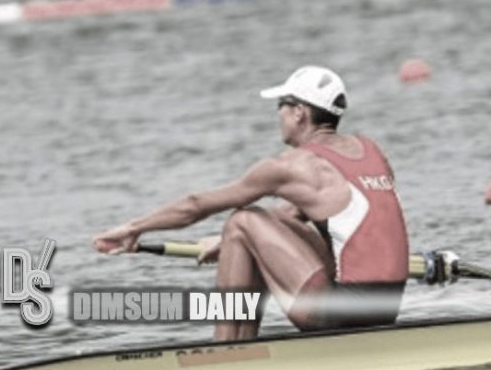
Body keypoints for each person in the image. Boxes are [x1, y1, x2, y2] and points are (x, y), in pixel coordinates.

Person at [93, 65, 410, 339]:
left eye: (281, 106)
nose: (278, 115)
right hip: (386, 308)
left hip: (341, 316)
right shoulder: (371, 151)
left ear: (299, 113)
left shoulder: (289, 167)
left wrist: (135, 228)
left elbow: (196, 205)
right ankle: (241, 342)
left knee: (242, 220)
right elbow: (302, 212)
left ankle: (226, 349)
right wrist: (231, 243)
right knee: (247, 229)